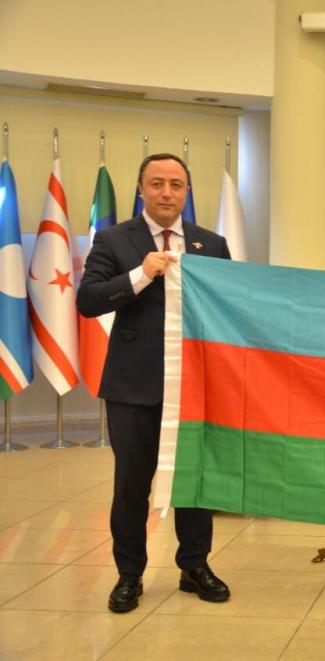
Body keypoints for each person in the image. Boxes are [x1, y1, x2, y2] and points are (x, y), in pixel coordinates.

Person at [78, 153, 232, 613]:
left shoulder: (212, 244)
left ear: (187, 192)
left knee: (194, 481)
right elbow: (88, 300)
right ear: (141, 189)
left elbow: (231, 306)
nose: (167, 193)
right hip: (133, 384)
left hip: (196, 383)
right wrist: (141, 274)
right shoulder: (113, 239)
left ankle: (194, 565)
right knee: (131, 484)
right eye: (158, 183)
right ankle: (129, 573)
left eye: (176, 184)